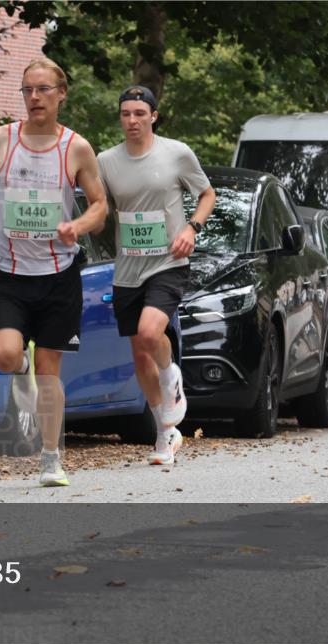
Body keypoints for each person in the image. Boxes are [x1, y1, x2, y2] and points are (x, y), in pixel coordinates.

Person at [0, 58, 107, 487]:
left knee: (49, 371)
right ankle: (19, 363)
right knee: (6, 356)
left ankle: (50, 457)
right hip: (11, 274)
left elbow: (100, 206)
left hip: (59, 276)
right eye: (28, 89)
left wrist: (76, 226)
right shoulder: (1, 139)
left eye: (43, 89)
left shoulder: (76, 147)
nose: (35, 97)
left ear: (62, 94)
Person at [97, 85, 216, 465]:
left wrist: (191, 229)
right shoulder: (106, 161)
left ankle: (171, 377)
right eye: (125, 114)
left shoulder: (176, 153)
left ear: (153, 116)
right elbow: (102, 210)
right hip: (128, 267)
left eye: (139, 113)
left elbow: (207, 195)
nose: (132, 120)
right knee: (139, 354)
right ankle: (165, 433)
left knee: (151, 334)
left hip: (168, 262)